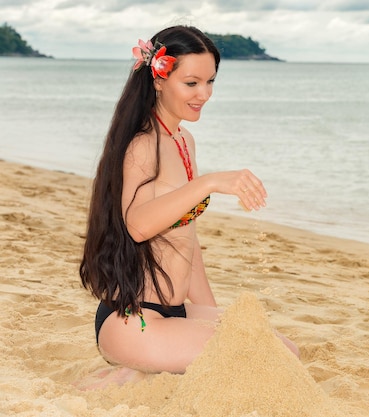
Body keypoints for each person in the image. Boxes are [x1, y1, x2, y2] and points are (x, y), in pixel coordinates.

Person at [79, 25, 298, 387]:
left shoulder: (184, 140)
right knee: (265, 359)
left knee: (285, 349)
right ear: (160, 79)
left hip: (174, 310)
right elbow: (137, 225)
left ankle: (142, 372)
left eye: (211, 81)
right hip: (136, 318)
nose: (205, 94)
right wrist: (208, 182)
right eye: (192, 83)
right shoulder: (142, 144)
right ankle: (137, 366)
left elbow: (186, 240)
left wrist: (211, 316)